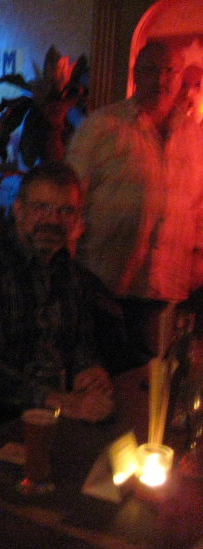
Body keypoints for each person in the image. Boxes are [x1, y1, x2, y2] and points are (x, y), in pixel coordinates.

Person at [67, 40, 203, 357]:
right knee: (106, 373)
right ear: (136, 74)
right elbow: (71, 200)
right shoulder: (102, 127)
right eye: (152, 70)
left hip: (169, 290)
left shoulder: (195, 137)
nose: (162, 80)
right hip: (107, 288)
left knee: (155, 377)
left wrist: (198, 258)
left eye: (170, 71)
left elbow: (199, 208)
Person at [0, 161, 114, 425]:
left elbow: (82, 341)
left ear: (77, 218)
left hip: (64, 411)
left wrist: (89, 371)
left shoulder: (72, 273)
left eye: (65, 211)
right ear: (18, 209)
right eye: (41, 207)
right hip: (5, 420)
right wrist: (57, 400)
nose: (52, 220)